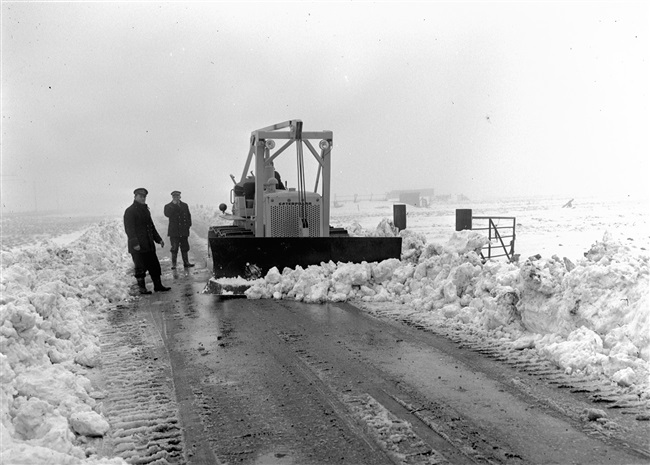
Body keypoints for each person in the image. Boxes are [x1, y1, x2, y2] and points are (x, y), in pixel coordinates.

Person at [123, 188, 171, 294]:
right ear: (135, 197)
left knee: (154, 266)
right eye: (140, 196)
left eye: (144, 197)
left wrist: (158, 239)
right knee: (140, 268)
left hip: (148, 244)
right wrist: (135, 243)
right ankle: (142, 288)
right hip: (138, 246)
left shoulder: (145, 210)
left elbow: (151, 227)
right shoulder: (130, 211)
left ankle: (158, 286)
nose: (143, 198)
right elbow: (129, 229)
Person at [164, 190, 194, 269]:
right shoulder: (168, 206)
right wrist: (174, 205)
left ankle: (186, 262)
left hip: (183, 230)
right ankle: (174, 264)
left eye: (177, 196)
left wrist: (188, 225)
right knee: (174, 248)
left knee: (185, 247)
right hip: (174, 231)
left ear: (180, 197)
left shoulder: (184, 205)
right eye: (174, 196)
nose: (176, 198)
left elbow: (188, 215)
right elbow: (167, 214)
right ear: (172, 197)